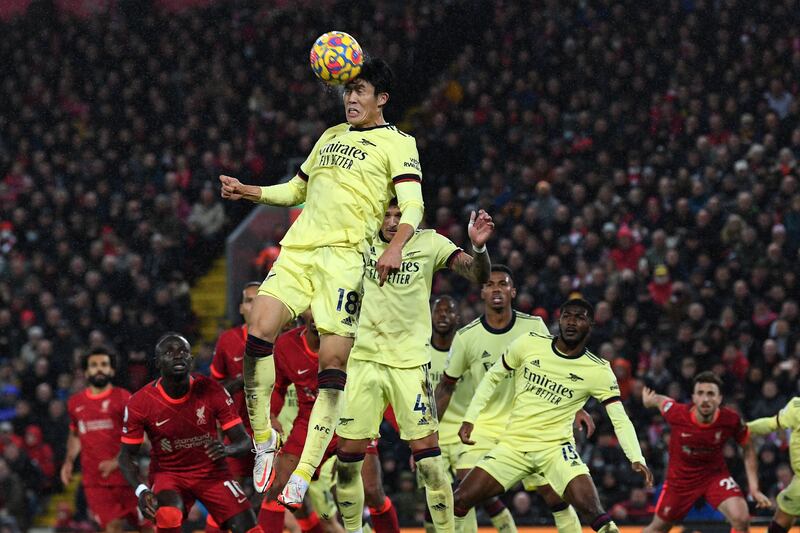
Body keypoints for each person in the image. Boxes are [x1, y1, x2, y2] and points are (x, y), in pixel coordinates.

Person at [219, 57, 425, 498]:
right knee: (258, 333)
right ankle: (263, 439)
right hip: (300, 248)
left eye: (360, 91)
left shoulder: (399, 143)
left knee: (331, 364)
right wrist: (249, 191)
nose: (350, 98)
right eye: (347, 91)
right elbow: (297, 189)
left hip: (346, 260)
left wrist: (395, 246)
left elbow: (413, 205)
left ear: (381, 99)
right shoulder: (330, 136)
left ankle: (304, 471)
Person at [330, 202, 494, 533]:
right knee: (347, 465)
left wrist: (478, 247)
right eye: (385, 215)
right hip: (363, 364)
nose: (391, 222)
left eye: (398, 215)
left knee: (431, 466)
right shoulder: (359, 241)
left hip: (409, 367)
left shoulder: (430, 243)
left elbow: (478, 275)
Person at [453, 299, 653, 533]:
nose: (571, 321)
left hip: (555, 450)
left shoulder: (598, 370)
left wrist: (636, 456)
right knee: (459, 500)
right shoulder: (529, 344)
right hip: (513, 445)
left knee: (592, 510)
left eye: (579, 317)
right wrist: (470, 417)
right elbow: (492, 378)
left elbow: (619, 418)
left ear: (590, 324)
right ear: (559, 320)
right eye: (567, 315)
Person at [436, 268, 584, 533]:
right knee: (464, 492)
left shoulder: (533, 327)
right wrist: (427, 432)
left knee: (554, 495)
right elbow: (446, 386)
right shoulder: (467, 337)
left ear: (512, 292)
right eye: (490, 284)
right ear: (482, 292)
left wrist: (578, 407)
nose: (496, 289)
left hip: (530, 424)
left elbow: (557, 368)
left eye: (502, 284)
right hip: (485, 426)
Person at [260, 310, 396, 533]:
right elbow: (278, 386)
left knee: (372, 491)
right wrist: (271, 415)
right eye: (313, 308)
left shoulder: (356, 341)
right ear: (304, 311)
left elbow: (383, 383)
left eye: (325, 306)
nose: (317, 314)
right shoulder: (286, 346)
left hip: (351, 420)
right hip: (309, 422)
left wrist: (406, 430)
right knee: (277, 488)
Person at [118, 333, 262, 533]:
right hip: (169, 474)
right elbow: (125, 456)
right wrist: (141, 490)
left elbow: (244, 442)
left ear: (191, 360)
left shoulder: (212, 390)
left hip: (212, 472)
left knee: (248, 527)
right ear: (158, 362)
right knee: (168, 516)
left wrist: (227, 449)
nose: (178, 356)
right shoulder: (140, 402)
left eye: (183, 352)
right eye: (169, 352)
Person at [641, 372, 770, 533]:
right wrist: (649, 401)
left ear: (719, 399)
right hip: (680, 481)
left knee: (741, 519)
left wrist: (754, 488)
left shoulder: (730, 420)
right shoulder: (678, 413)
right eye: (700, 393)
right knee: (657, 528)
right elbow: (662, 401)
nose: (705, 399)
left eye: (711, 394)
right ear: (694, 398)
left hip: (714, 476)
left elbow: (748, 448)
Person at [61, 347, 150, 533]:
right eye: (94, 365)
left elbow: (141, 438)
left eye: (104, 364)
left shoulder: (124, 398)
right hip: (95, 482)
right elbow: (76, 434)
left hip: (127, 478)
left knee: (148, 526)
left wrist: (117, 461)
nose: (99, 369)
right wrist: (69, 461)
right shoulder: (75, 403)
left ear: (112, 370)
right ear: (86, 371)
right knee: (112, 527)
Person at [208, 281, 260, 533]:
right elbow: (214, 391)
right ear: (241, 308)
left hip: (271, 433)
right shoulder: (228, 341)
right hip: (237, 432)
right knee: (227, 497)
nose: (256, 304)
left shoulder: (280, 338)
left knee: (279, 495)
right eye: (250, 300)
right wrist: (240, 381)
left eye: (261, 299)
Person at [748, 397, 800, 533]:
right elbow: (771, 423)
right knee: (780, 523)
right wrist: (745, 428)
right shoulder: (796, 406)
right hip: (799, 485)